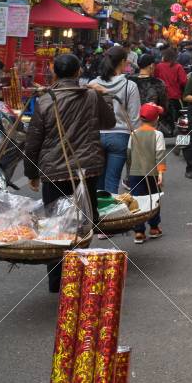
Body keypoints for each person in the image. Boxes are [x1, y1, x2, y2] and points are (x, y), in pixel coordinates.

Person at [21, 52, 113, 292]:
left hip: (54, 172)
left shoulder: (45, 101)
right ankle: (78, 276)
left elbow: (33, 141)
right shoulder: (92, 96)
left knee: (56, 226)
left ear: (54, 72)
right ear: (79, 72)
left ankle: (57, 281)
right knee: (84, 224)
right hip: (86, 171)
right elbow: (109, 123)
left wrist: (31, 172)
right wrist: (104, 98)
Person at [89, 47, 141, 194]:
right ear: (123, 62)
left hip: (95, 135)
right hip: (120, 136)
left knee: (97, 181)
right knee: (112, 182)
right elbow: (134, 118)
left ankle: (96, 215)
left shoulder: (92, 84)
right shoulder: (130, 86)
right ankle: (111, 215)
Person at [128, 102, 167, 243]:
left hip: (134, 173)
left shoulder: (133, 134)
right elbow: (160, 155)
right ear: (156, 119)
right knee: (153, 199)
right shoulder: (157, 135)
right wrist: (161, 173)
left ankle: (139, 232)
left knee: (137, 202)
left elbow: (129, 155)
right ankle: (154, 227)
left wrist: (128, 174)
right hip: (152, 174)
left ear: (140, 118)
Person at [155, 46, 187, 126]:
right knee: (177, 118)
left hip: (161, 97)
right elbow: (184, 81)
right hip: (175, 96)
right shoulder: (178, 66)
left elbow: (155, 79)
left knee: (163, 118)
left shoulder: (159, 66)